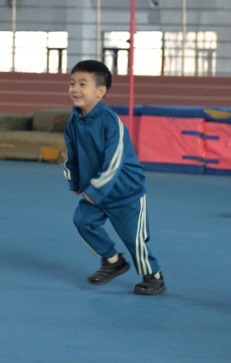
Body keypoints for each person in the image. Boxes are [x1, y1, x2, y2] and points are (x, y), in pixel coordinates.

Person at [62, 60, 165, 296]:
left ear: (100, 91)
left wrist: (95, 190)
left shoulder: (110, 122)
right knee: (83, 221)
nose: (75, 89)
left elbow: (114, 162)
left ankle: (154, 276)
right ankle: (112, 260)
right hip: (96, 190)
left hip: (125, 192)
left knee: (133, 238)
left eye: (82, 84)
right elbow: (71, 153)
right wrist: (75, 181)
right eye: (72, 83)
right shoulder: (74, 121)